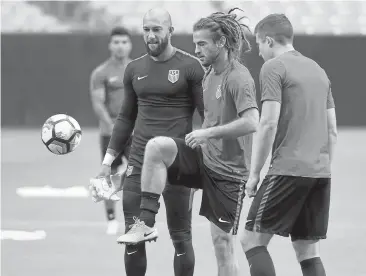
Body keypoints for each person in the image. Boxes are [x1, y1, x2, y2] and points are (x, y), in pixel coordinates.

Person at [117, 9, 259, 276]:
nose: (197, 50)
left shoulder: (238, 77)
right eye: (195, 44)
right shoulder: (207, 74)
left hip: (229, 173)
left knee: (222, 244)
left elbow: (252, 122)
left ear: (222, 43)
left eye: (202, 44)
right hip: (204, 159)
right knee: (156, 147)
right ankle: (146, 222)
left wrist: (207, 134)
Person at [96, 8, 205, 276]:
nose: (151, 35)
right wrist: (108, 162)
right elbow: (125, 118)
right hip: (139, 164)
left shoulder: (191, 67)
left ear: (170, 30)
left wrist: (204, 159)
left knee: (181, 240)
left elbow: (208, 116)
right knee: (134, 241)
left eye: (157, 29)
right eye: (146, 29)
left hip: (177, 164)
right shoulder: (134, 69)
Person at [240, 14, 337, 276]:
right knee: (307, 250)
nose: (259, 52)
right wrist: (322, 168)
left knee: (251, 240)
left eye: (259, 44)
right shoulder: (319, 71)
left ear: (268, 41)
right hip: (320, 173)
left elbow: (268, 124)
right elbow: (332, 131)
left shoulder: (273, 67)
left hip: (288, 170)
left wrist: (254, 175)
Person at [89, 27, 132, 235]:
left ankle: (136, 218)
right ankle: (111, 219)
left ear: (130, 44)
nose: (120, 46)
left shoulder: (139, 69)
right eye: (116, 42)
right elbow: (98, 104)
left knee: (140, 173)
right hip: (110, 133)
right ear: (110, 45)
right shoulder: (101, 72)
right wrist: (113, 127)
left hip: (135, 133)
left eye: (124, 42)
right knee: (108, 173)